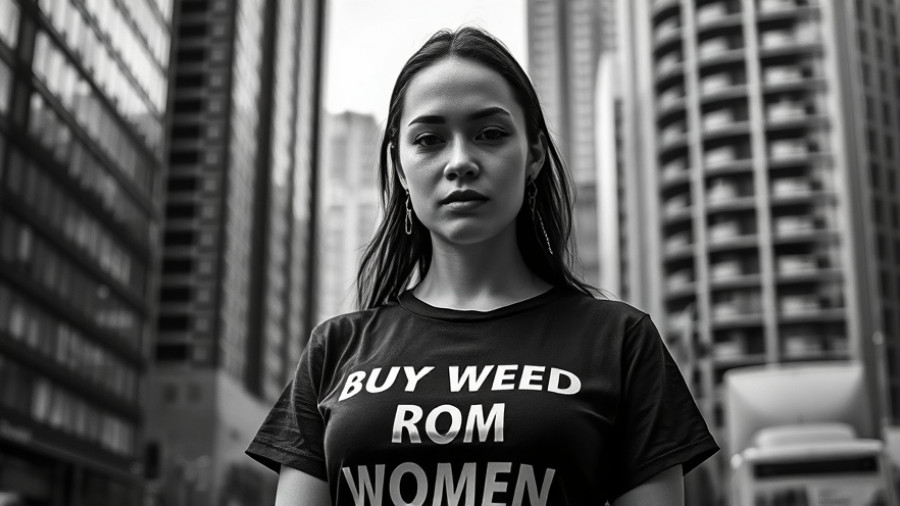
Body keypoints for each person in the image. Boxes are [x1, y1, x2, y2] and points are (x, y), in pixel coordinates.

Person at [247, 27, 718, 505]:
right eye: (429, 139)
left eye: (489, 134)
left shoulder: (621, 342)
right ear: (400, 167)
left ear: (533, 154)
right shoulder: (334, 350)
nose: (460, 162)